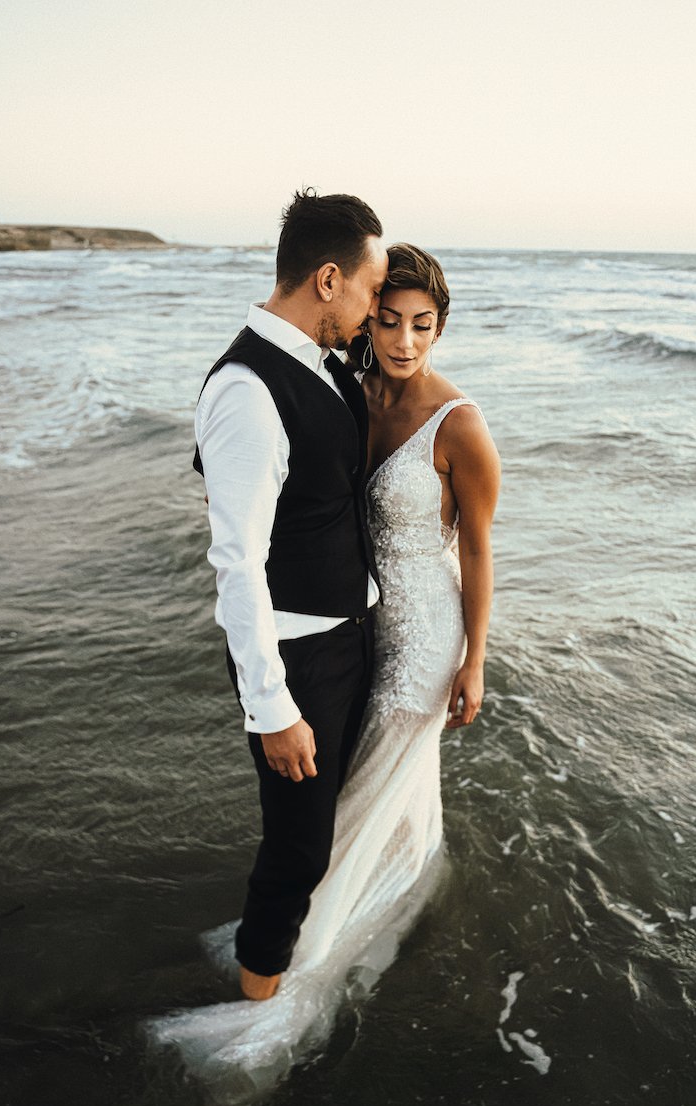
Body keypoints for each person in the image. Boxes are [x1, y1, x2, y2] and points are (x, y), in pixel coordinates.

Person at [150, 243, 500, 1104]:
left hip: (423, 635)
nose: (403, 340)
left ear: (442, 327)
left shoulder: (458, 423)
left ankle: (323, 937)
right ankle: (330, 911)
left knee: (369, 786)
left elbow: (482, 553)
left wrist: (474, 659)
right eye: (387, 318)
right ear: (358, 308)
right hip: (358, 626)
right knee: (343, 795)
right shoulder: (347, 390)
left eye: (422, 325)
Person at [191, 189, 387, 1002]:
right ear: (331, 278)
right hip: (298, 656)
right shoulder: (247, 390)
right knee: (297, 849)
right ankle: (254, 1007)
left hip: (346, 636)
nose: (375, 312)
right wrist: (271, 707)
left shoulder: (318, 358)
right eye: (373, 292)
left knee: (325, 824)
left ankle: (272, 959)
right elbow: (236, 562)